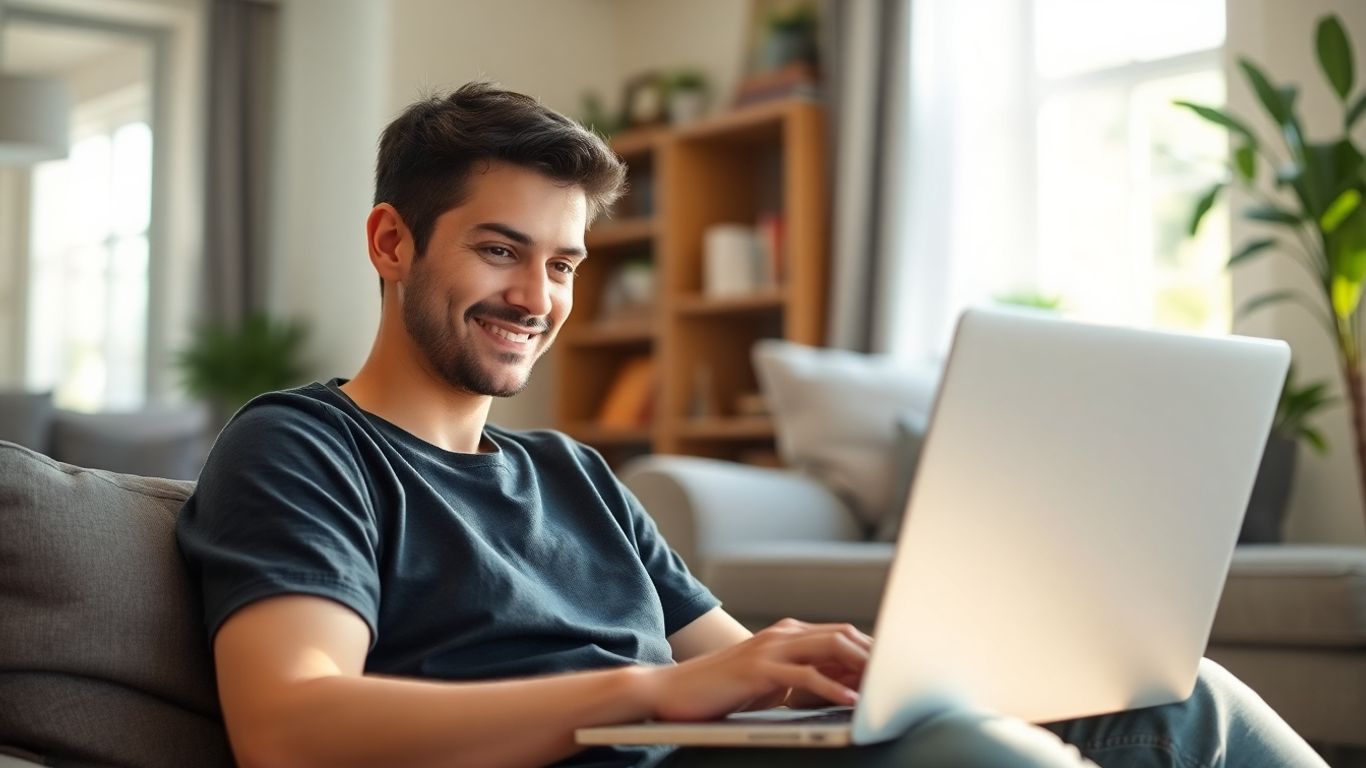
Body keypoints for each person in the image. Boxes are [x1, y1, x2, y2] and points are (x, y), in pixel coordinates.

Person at [177, 81, 1327, 768]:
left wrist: (864, 671)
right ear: (391, 243)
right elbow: (291, 726)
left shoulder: (572, 472)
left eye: (563, 263)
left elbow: (732, 669)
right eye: (498, 250)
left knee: (1177, 696)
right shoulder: (303, 448)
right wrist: (643, 696)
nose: (535, 297)